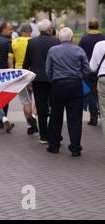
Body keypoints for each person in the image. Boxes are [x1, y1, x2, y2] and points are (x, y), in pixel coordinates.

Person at [45, 28, 90, 156]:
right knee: (75, 118)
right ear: (71, 38)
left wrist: (53, 80)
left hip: (58, 86)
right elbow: (87, 69)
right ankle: (75, 148)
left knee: (55, 116)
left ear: (59, 38)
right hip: (75, 85)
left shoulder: (53, 50)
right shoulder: (79, 50)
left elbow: (48, 70)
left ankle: (53, 146)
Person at [23, 19, 60, 144]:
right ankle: (54, 133)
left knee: (41, 106)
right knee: (54, 106)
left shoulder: (32, 42)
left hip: (38, 79)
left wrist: (25, 77)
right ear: (50, 29)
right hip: (53, 78)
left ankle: (43, 135)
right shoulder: (56, 41)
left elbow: (26, 62)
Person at [9, 24, 38, 135]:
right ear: (30, 32)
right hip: (33, 74)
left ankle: (30, 125)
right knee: (39, 99)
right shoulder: (34, 42)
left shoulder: (14, 42)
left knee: (26, 101)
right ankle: (34, 116)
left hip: (20, 75)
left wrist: (13, 73)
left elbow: (10, 60)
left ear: (21, 31)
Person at [78, 18, 105, 126]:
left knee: (91, 95)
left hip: (88, 71)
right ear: (98, 26)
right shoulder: (103, 38)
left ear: (89, 26)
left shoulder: (84, 39)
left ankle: (93, 118)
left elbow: (79, 54)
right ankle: (101, 113)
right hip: (101, 71)